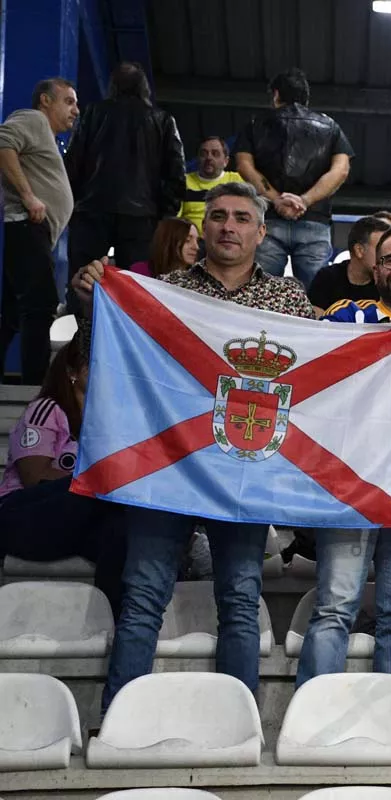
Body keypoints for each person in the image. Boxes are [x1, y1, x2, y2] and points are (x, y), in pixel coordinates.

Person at [70, 181, 317, 711]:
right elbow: (113, 360)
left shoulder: (290, 299)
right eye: (219, 215)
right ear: (203, 227)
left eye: (242, 218)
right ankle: (119, 721)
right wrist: (91, 307)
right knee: (142, 598)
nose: (229, 225)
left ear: (261, 231)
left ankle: (239, 723)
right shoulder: (167, 289)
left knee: (239, 601)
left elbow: (323, 374)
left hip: (244, 466)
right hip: (170, 465)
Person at [298, 222, 391, 686]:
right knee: (334, 608)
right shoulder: (347, 316)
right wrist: (389, 334)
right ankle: (311, 721)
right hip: (349, 484)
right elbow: (318, 377)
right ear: (374, 267)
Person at [0, 334, 126, 617]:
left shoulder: (108, 418)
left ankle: (113, 623)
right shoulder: (48, 408)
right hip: (20, 515)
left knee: (121, 529)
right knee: (100, 490)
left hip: (72, 525)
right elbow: (34, 477)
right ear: (70, 372)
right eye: (91, 364)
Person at [64, 63, 185, 299]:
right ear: (144, 87)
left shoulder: (92, 113)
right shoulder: (162, 120)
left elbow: (72, 163)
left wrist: (74, 205)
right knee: (137, 288)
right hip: (141, 218)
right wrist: (162, 213)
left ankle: (83, 331)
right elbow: (176, 174)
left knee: (83, 282)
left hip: (92, 211)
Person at [234, 68, 354, 288]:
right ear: (306, 97)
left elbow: (244, 165)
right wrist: (305, 200)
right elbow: (341, 170)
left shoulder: (255, 124)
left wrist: (276, 199)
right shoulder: (330, 126)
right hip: (314, 219)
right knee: (317, 294)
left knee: (262, 293)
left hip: (268, 219)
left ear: (276, 94)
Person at [0, 77, 77, 385]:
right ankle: (36, 386)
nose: (76, 110)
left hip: (33, 232)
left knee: (11, 312)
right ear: (46, 100)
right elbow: (3, 143)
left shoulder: (45, 134)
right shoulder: (33, 119)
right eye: (68, 101)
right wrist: (29, 196)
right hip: (28, 226)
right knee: (41, 305)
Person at [306, 215, 390, 314]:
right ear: (359, 250)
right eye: (380, 249)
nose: (387, 255)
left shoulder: (387, 281)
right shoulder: (327, 278)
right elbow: (316, 320)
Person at [180, 136, 244, 238]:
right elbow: (176, 220)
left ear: (226, 161)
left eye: (215, 154)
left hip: (227, 238)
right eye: (204, 154)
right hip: (193, 240)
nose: (209, 158)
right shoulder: (183, 182)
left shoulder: (238, 181)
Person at [127, 218, 200, 278]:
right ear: (169, 241)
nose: (196, 247)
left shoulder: (198, 278)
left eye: (197, 241)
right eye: (187, 240)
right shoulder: (139, 273)